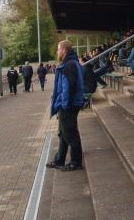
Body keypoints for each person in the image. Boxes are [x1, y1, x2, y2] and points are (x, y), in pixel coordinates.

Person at [47, 40, 84, 171]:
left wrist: (64, 104)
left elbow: (69, 87)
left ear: (64, 50)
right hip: (69, 103)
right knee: (63, 133)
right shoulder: (70, 63)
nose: (57, 52)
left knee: (70, 132)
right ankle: (59, 160)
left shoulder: (69, 65)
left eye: (58, 49)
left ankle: (76, 161)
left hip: (69, 104)